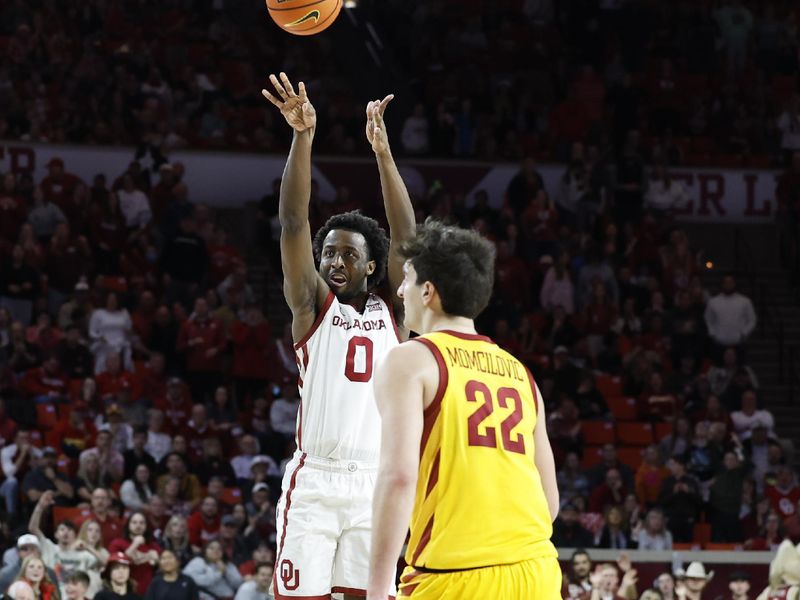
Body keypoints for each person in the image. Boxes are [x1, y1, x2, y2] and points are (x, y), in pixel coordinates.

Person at [261, 72, 414, 600]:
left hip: (374, 483)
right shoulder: (312, 306)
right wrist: (303, 137)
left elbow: (409, 240)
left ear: (373, 265)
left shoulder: (394, 311)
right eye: (329, 253)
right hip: (317, 484)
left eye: (349, 253)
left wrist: (384, 155)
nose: (334, 261)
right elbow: (292, 222)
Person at [367, 220, 560, 599]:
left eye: (406, 279)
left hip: (454, 576)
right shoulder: (521, 373)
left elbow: (399, 478)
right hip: (537, 571)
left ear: (428, 291)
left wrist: (376, 588)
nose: (400, 290)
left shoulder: (411, 361)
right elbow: (549, 502)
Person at [28, 491, 102, 599]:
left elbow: (105, 561)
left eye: (70, 530)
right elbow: (33, 528)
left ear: (75, 535)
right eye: (62, 529)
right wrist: (40, 507)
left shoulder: (83, 555)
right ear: (56, 534)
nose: (66, 532)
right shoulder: (49, 547)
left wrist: (88, 547)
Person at [108, 513, 161, 595]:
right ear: (128, 525)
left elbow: (161, 568)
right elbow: (115, 564)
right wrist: (135, 544)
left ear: (146, 526)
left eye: (141, 523)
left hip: (148, 593)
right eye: (134, 522)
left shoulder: (154, 546)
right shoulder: (117, 543)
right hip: (123, 592)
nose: (138, 525)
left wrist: (157, 561)